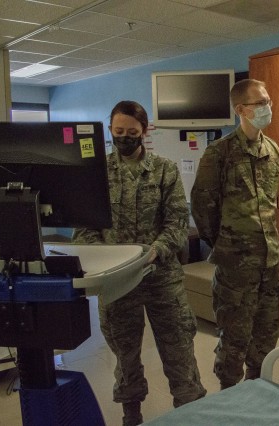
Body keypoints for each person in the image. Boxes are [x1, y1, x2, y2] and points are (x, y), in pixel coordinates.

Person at [73, 100, 206, 426]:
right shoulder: (96, 174)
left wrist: (155, 251)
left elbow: (177, 223)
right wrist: (104, 261)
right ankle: (131, 416)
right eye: (118, 132)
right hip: (116, 283)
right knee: (125, 356)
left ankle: (191, 416)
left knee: (180, 355)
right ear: (110, 131)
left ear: (143, 132)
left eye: (132, 132)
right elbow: (83, 230)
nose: (125, 138)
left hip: (162, 278)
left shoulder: (165, 170)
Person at [190, 79, 279, 389]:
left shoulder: (273, 150)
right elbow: (203, 207)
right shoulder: (219, 153)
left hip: (269, 263)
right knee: (234, 341)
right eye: (260, 103)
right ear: (241, 109)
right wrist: (224, 243)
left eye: (268, 100)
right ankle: (230, 398)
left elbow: (270, 204)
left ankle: (258, 395)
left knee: (266, 339)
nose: (267, 107)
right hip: (235, 266)